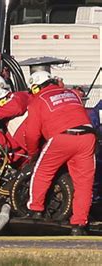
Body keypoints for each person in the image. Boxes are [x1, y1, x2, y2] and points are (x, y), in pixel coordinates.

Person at [25, 71, 96, 236]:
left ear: (37, 87)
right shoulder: (71, 94)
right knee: (84, 184)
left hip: (61, 137)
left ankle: (35, 210)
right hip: (87, 136)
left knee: (42, 172)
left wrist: (32, 154)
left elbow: (31, 133)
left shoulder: (39, 100)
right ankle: (79, 224)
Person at [0, 87, 32, 165]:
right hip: (36, 152)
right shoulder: (9, 125)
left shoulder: (20, 96)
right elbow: (9, 145)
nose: (3, 107)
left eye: (2, 103)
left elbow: (17, 105)